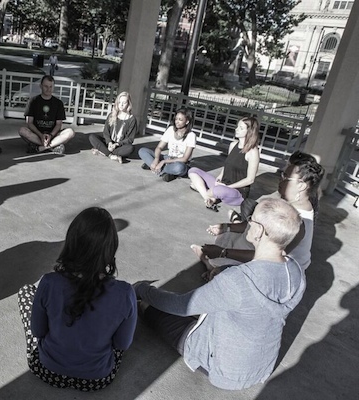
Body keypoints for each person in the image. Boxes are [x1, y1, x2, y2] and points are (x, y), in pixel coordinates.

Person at [134, 198, 304, 391]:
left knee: (153, 308)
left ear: (259, 231)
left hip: (224, 371)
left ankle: (142, 300)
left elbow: (180, 305)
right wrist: (226, 270)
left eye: (251, 220)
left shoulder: (238, 281)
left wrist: (142, 289)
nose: (247, 223)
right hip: (261, 367)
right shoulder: (296, 272)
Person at [17, 207, 137, 391]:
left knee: (26, 291)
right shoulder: (125, 293)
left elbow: (38, 331)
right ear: (111, 249)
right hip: (97, 379)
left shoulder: (49, 282)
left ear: (70, 243)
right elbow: (122, 344)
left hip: (46, 369)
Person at [194, 151, 324, 280]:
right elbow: (254, 225)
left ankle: (211, 266)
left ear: (301, 186)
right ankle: (215, 265)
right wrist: (226, 227)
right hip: (269, 253)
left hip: (280, 271)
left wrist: (223, 252)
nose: (280, 179)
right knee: (231, 231)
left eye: (285, 176)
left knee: (226, 273)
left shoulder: (296, 222)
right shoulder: (290, 205)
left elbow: (270, 258)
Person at [188, 116, 260, 211]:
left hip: (237, 191)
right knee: (193, 171)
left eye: (241, 128)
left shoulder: (253, 152)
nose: (236, 129)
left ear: (250, 131)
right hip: (223, 184)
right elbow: (228, 164)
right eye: (237, 126)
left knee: (214, 189)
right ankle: (209, 198)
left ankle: (207, 193)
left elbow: (250, 180)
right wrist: (220, 176)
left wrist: (228, 187)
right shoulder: (233, 145)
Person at [18, 75, 75, 154]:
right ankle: (53, 147)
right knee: (22, 130)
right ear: (40, 86)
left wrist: (51, 135)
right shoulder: (33, 101)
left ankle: (40, 148)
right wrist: (41, 135)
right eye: (46, 86)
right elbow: (29, 123)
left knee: (70, 132)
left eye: (51, 87)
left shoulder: (58, 103)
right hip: (37, 134)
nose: (48, 89)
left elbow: (59, 124)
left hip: (53, 135)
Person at [138, 108, 195, 181]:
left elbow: (185, 159)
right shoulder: (171, 129)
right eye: (176, 119)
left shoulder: (191, 135)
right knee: (142, 151)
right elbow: (159, 147)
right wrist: (156, 159)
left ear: (187, 121)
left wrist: (163, 162)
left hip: (179, 162)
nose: (177, 122)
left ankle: (156, 168)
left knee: (180, 168)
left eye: (180, 120)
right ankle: (164, 171)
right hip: (168, 157)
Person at [89, 91, 137, 164]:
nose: (121, 105)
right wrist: (109, 142)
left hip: (120, 146)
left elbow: (130, 139)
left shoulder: (132, 119)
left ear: (128, 104)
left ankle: (103, 151)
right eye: (119, 102)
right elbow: (105, 132)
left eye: (124, 103)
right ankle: (111, 155)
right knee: (92, 137)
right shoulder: (112, 115)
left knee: (130, 148)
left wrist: (117, 144)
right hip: (108, 143)